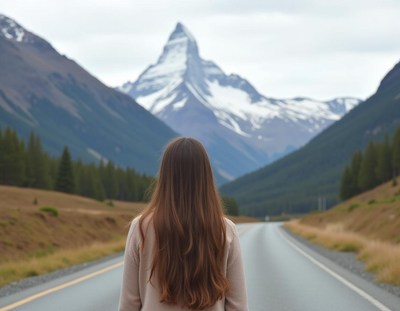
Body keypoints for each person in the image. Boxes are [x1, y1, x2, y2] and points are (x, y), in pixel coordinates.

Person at [119, 137, 248, 311]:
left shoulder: (141, 227)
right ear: (206, 177)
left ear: (165, 176)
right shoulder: (225, 230)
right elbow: (237, 307)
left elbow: (129, 305)